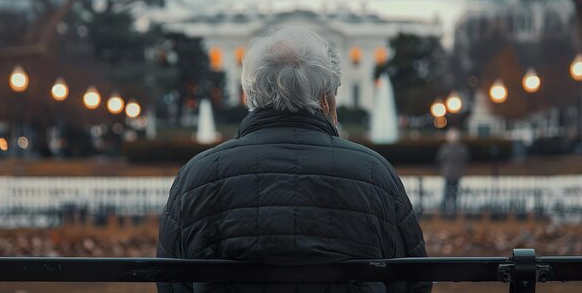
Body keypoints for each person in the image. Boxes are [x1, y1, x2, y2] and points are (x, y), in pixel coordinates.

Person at [157, 27, 431, 293]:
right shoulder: (374, 172)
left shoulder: (198, 174)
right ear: (327, 99)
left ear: (251, 93)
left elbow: (171, 279)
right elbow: (412, 277)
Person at [437, 127, 470, 218]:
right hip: (457, 173)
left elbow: (440, 159)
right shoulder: (462, 148)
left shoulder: (445, 148)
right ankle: (453, 209)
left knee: (447, 191)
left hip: (448, 172)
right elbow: (465, 159)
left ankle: (444, 209)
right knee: (454, 191)